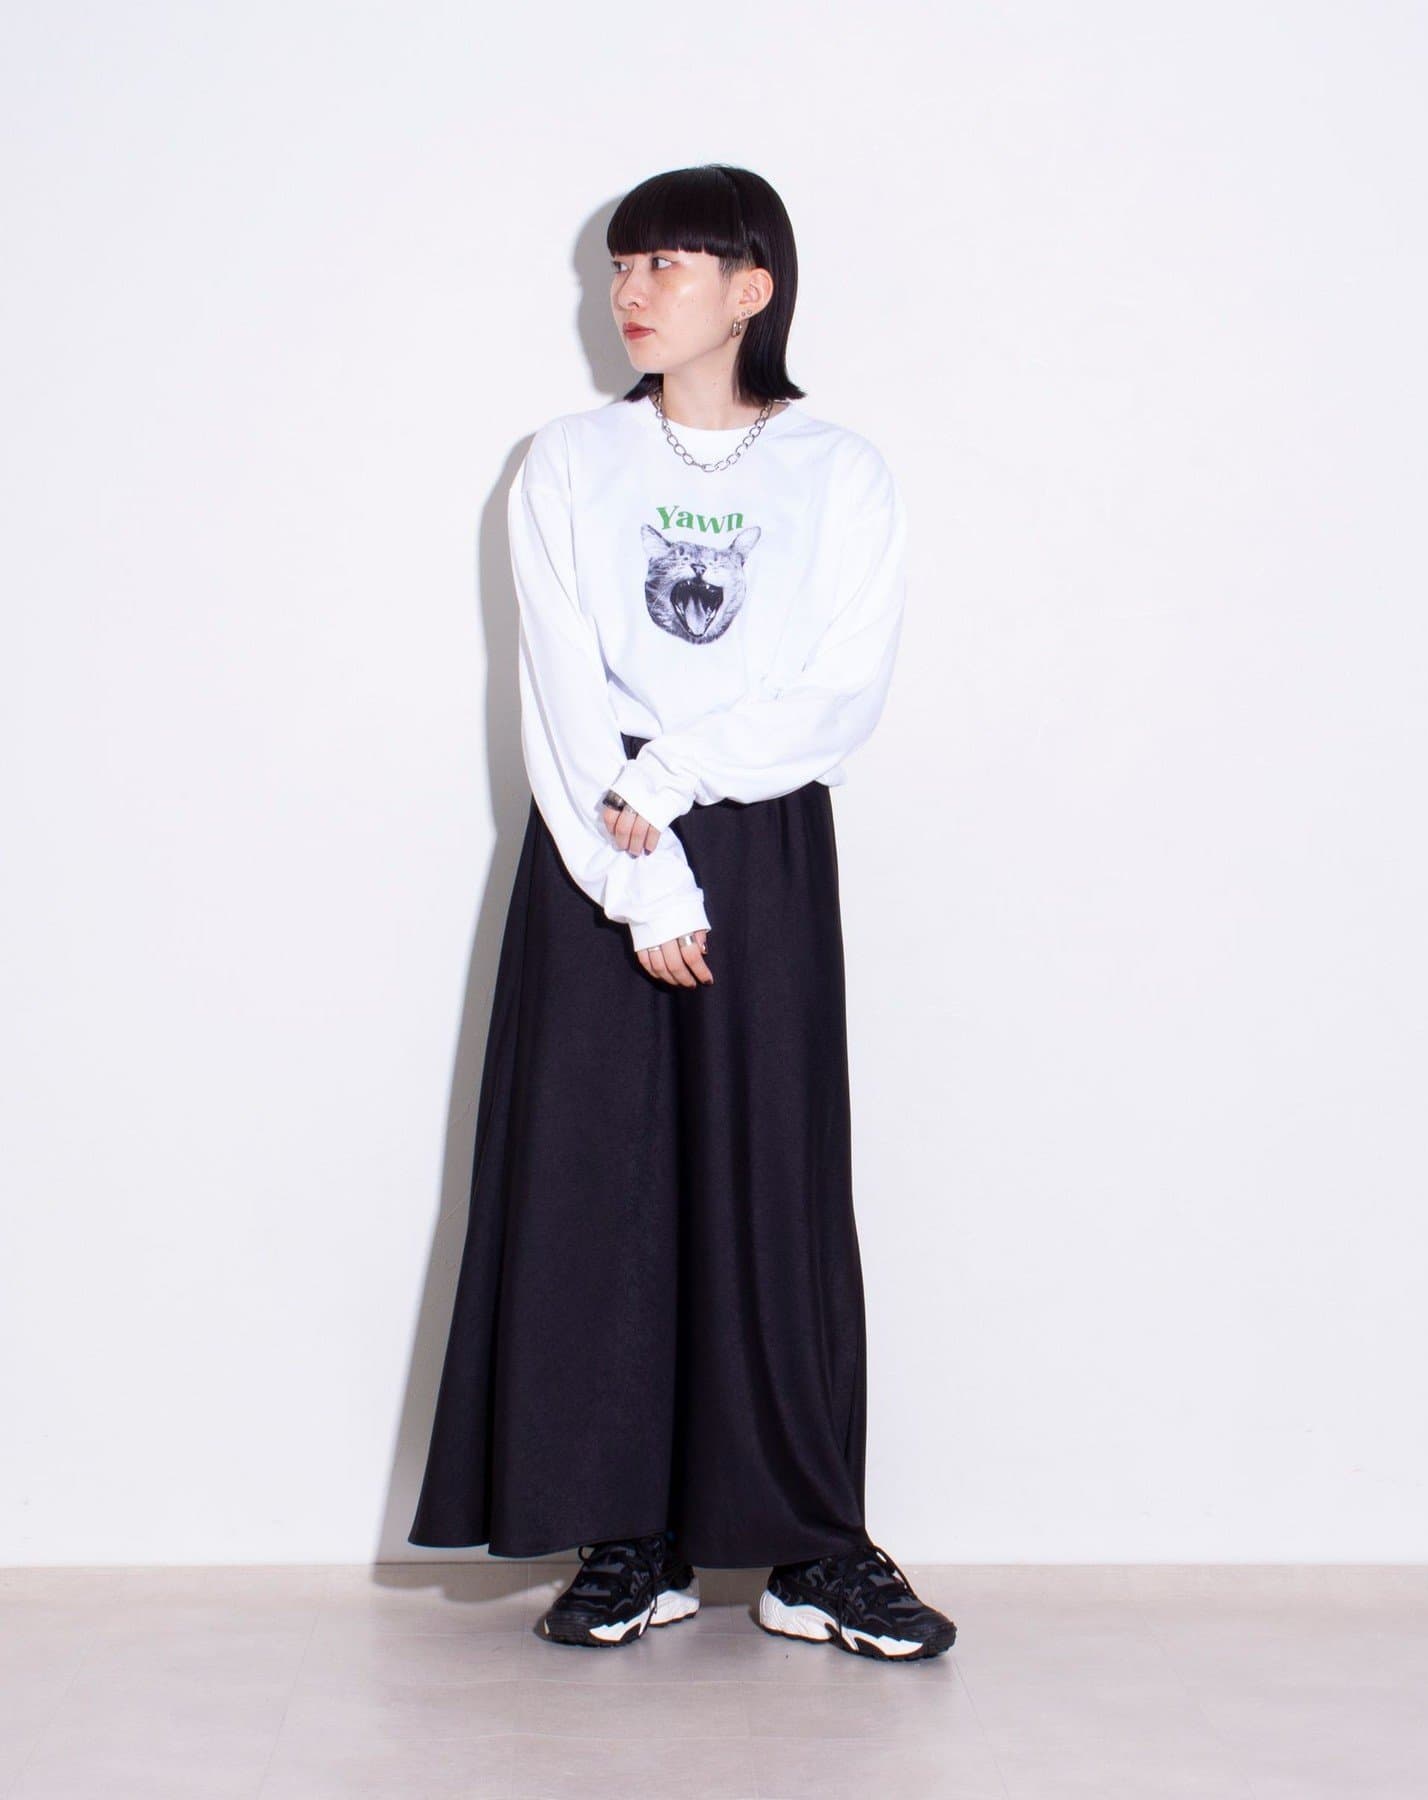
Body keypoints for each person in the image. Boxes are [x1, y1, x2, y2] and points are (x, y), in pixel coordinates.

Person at [408, 163, 956, 1663]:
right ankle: (626, 1538)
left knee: (773, 1186)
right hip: (598, 846)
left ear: (751, 288)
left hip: (758, 836)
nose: (631, 292)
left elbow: (842, 684)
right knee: (595, 1181)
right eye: (619, 265)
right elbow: (558, 683)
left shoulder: (839, 471)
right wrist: (640, 864)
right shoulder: (567, 459)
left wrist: (682, 779)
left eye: (666, 263)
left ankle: (808, 1549)